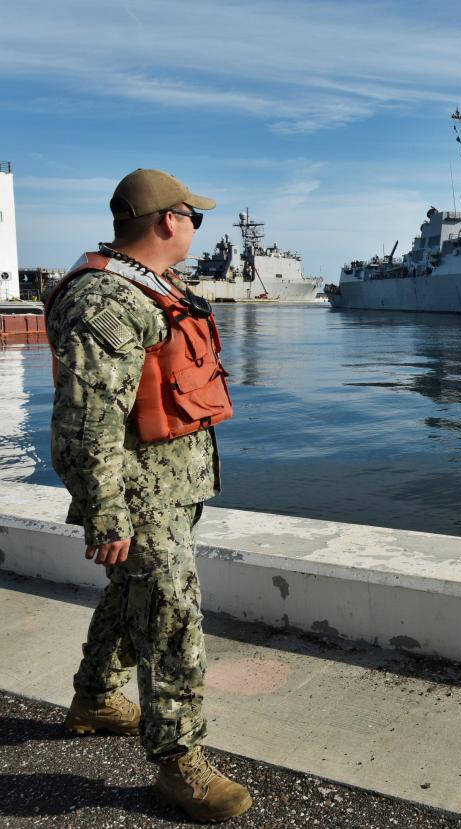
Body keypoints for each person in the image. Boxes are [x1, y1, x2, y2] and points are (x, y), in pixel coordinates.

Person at [45, 169, 252, 823]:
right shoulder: (106, 299)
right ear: (169, 219)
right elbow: (86, 420)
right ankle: (178, 762)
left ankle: (96, 695)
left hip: (172, 483)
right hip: (140, 493)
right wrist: (108, 513)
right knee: (172, 615)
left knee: (131, 594)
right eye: (195, 215)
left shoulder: (152, 288)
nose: (196, 226)